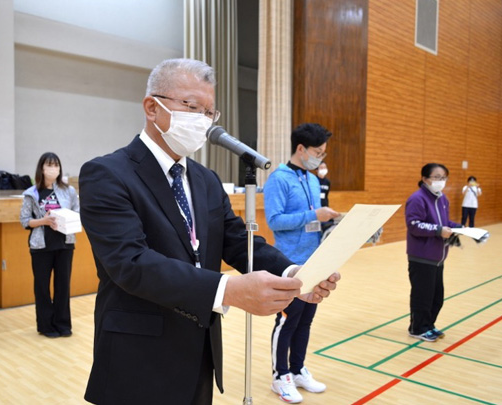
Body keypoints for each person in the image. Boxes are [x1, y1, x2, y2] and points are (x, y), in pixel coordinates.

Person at [78, 58, 340, 405]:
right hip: (137, 356)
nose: (202, 120)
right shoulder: (107, 174)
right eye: (191, 106)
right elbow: (131, 263)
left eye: (209, 112)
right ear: (152, 108)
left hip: (199, 351)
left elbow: (236, 240)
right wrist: (226, 289)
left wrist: (293, 273)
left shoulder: (205, 179)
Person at [263, 123, 340, 404]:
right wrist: (313, 215)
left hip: (314, 259)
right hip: (288, 262)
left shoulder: (311, 178)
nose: (320, 157)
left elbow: (314, 217)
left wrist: (330, 220)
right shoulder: (278, 179)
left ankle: (297, 369)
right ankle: (279, 375)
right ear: (301, 149)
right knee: (287, 321)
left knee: (306, 321)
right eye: (317, 152)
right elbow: (275, 221)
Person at [19, 152, 79, 338]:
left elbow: (78, 211)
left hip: (64, 244)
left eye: (56, 165)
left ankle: (62, 324)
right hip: (41, 246)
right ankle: (46, 326)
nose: (53, 169)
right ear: (42, 168)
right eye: (49, 165)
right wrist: (43, 221)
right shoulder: (32, 193)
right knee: (42, 287)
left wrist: (69, 219)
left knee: (63, 286)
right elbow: (24, 221)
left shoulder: (68, 191)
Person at [405, 163, 462, 342]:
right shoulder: (418, 198)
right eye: (436, 177)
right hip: (422, 257)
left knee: (436, 297)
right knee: (422, 296)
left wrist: (460, 228)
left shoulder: (442, 199)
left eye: (444, 177)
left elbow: (444, 222)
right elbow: (414, 225)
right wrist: (438, 231)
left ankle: (428, 325)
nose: (441, 181)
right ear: (425, 179)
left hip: (438, 257)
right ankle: (417, 328)